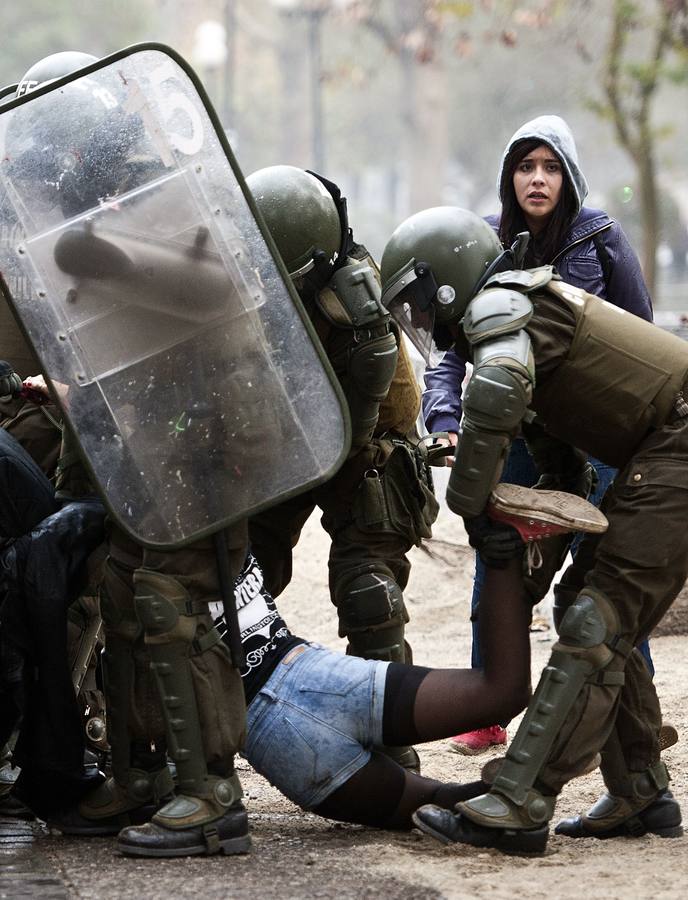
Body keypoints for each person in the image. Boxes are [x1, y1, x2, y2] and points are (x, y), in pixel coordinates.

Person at [0, 50, 348, 858]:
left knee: (171, 598)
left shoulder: (162, 192)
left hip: (218, 428)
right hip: (161, 430)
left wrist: (111, 258)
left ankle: (210, 793)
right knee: (123, 592)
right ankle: (141, 771)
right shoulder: (88, 204)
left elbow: (214, 291)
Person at [379, 204, 687, 854]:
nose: (423, 323)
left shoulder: (504, 313)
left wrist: (472, 508)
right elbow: (563, 470)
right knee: (588, 607)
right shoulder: (529, 320)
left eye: (422, 305)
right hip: (666, 447)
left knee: (594, 621)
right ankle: (639, 788)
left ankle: (518, 801)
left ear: (447, 282)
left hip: (677, 446)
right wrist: (521, 541)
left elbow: (495, 390)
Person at [51, 484, 607, 841]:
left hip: (301, 701)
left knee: (465, 762)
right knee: (470, 749)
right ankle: (502, 545)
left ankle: (503, 541)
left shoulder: (193, 521)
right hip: (300, 701)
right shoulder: (159, 535)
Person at [422, 114, 655, 756]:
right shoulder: (482, 245)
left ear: (569, 177)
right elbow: (448, 350)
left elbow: (641, 332)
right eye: (526, 166)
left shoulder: (601, 236)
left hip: (597, 437)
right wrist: (442, 419)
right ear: (509, 177)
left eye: (551, 167)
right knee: (499, 566)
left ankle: (633, 710)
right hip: (517, 436)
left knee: (605, 573)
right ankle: (485, 706)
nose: (537, 179)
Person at [246, 166, 439, 772]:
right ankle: (211, 732)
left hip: (368, 443)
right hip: (287, 432)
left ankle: (391, 744)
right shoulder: (252, 273)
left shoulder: (358, 304)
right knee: (238, 576)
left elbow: (352, 434)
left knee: (368, 588)